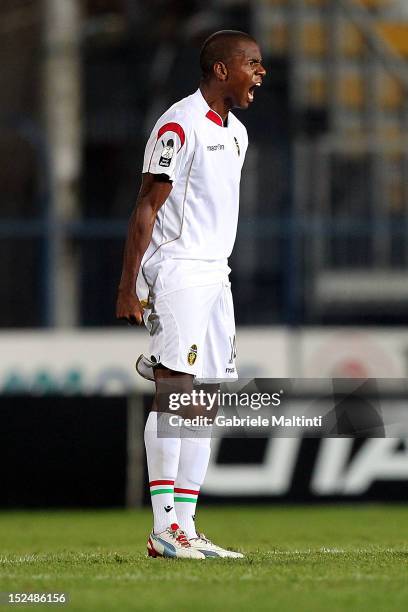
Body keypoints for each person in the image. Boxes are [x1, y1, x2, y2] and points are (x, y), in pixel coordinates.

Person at [116, 30, 266, 559]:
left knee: (204, 403)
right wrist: (129, 285)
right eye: (252, 63)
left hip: (215, 274)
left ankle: (184, 528)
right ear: (222, 70)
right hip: (177, 270)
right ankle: (162, 529)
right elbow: (146, 208)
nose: (260, 73)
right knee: (175, 395)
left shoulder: (239, 134)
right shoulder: (179, 125)